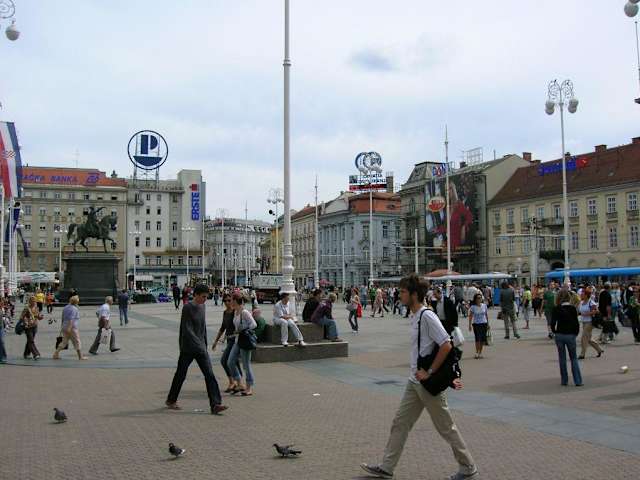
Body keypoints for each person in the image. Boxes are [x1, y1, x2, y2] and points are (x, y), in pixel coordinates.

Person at [360, 274, 478, 480]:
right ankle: (387, 467)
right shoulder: (415, 316)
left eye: (403, 291)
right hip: (414, 382)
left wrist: (429, 372)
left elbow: (446, 344)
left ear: (414, 294)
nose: (400, 295)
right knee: (400, 423)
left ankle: (468, 467)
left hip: (427, 383)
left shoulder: (427, 316)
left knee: (445, 427)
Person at [166, 283, 228, 414]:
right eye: (203, 297)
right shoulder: (188, 307)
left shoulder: (202, 306)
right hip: (188, 348)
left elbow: (202, 327)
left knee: (210, 375)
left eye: (206, 297)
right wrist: (199, 344)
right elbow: (187, 329)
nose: (205, 299)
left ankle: (215, 404)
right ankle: (171, 400)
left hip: (200, 348)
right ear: (196, 295)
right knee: (181, 374)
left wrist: (204, 344)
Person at [550, 289, 583, 387]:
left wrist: (555, 332)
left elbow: (552, 323)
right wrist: (575, 333)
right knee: (573, 358)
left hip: (559, 334)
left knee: (562, 358)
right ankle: (578, 381)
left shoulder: (556, 308)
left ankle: (564, 380)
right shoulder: (573, 308)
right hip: (570, 335)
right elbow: (576, 323)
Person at [227, 292, 257, 396]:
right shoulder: (236, 312)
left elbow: (254, 324)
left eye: (231, 300)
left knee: (246, 365)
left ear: (235, 301)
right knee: (230, 362)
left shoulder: (244, 312)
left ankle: (249, 388)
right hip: (237, 341)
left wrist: (242, 330)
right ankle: (239, 382)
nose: (230, 302)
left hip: (245, 341)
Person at [212, 293, 242, 393]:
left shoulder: (235, 312)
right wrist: (216, 341)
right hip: (229, 340)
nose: (227, 302)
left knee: (225, 360)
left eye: (229, 300)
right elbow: (222, 328)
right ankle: (234, 382)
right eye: (225, 301)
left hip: (235, 340)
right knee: (233, 361)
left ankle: (236, 382)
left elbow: (240, 325)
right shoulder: (225, 313)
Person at [53, 295, 88, 360]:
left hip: (64, 326)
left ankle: (55, 354)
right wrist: (69, 328)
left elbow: (63, 318)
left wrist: (62, 327)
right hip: (72, 328)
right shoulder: (74, 309)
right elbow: (71, 319)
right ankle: (80, 356)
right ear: (76, 302)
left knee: (64, 342)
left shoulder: (65, 307)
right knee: (77, 341)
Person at [578, 287, 604, 359]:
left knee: (584, 337)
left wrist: (587, 314)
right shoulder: (581, 302)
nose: (581, 295)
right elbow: (579, 311)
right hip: (584, 322)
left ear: (586, 295)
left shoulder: (591, 302)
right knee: (588, 339)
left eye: (582, 294)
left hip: (590, 322)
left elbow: (596, 311)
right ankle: (599, 350)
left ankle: (582, 354)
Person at [468, 293, 488, 359]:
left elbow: (486, 315)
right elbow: (470, 316)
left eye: (480, 298)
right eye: (478, 298)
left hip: (484, 323)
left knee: (482, 339)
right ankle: (477, 352)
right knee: (477, 338)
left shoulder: (484, 306)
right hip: (476, 324)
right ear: (475, 299)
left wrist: (488, 324)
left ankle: (480, 352)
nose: (479, 299)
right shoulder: (473, 307)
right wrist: (469, 325)